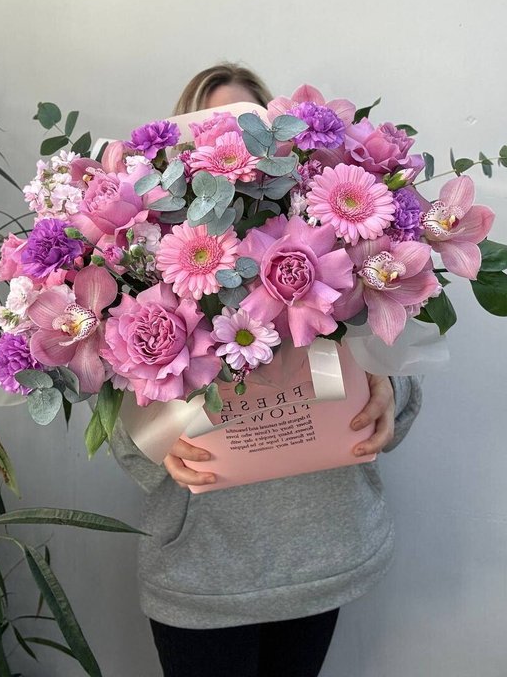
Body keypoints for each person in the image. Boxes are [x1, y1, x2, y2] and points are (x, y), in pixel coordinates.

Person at [109, 63, 423, 677]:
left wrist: (385, 385)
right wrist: (156, 442)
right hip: (202, 577)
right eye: (209, 131)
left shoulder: (340, 253)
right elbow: (127, 439)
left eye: (249, 128)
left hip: (320, 561)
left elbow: (395, 378)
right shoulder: (141, 269)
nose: (233, 150)